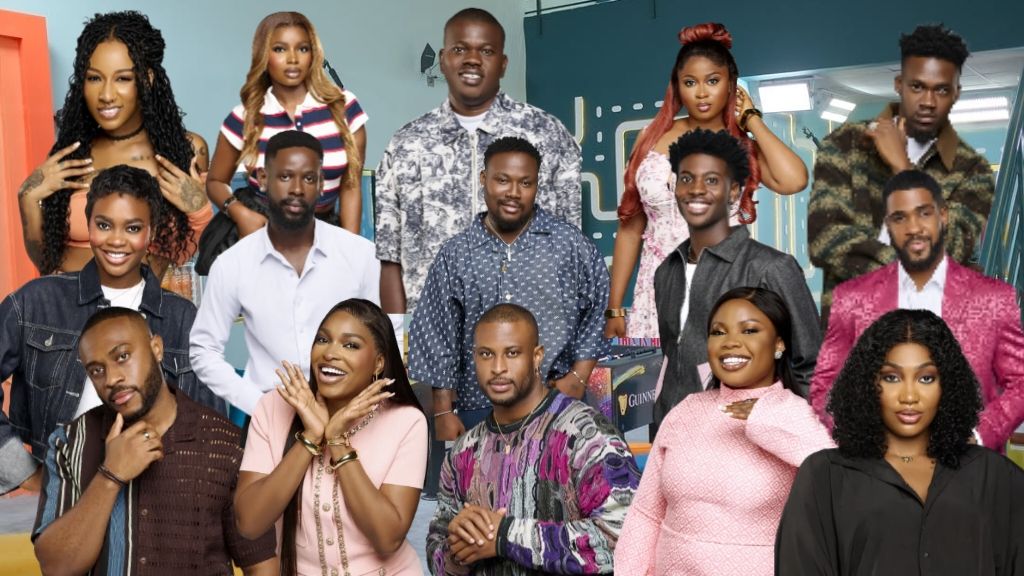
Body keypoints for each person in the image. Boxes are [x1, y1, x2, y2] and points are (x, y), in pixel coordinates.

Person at [0, 165, 224, 496]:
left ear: (151, 233)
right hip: (64, 495)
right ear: (88, 223)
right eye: (104, 225)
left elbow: (211, 425)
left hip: (157, 498)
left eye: (132, 228)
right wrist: (24, 472)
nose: (116, 240)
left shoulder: (182, 318)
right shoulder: (37, 301)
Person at [776, 309, 1024, 575]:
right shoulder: (824, 476)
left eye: (926, 378)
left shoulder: (997, 477)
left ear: (947, 385)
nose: (909, 396)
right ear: (867, 383)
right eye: (891, 377)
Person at [33, 307, 277, 575]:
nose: (112, 379)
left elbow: (261, 566)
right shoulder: (69, 444)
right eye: (97, 370)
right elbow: (56, 568)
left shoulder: (225, 444)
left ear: (156, 348)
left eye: (123, 357)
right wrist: (110, 475)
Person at [605, 22, 808, 340]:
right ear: (677, 87)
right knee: (655, 372)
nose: (701, 93)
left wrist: (751, 119)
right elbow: (630, 227)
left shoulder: (742, 146)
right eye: (690, 82)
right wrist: (615, 307)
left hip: (723, 285)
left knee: (720, 367)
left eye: (713, 80)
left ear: (731, 85)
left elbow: (794, 180)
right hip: (655, 291)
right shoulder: (651, 137)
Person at [376, 7, 582, 316]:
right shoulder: (406, 144)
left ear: (503, 63)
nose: (472, 59)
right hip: (435, 330)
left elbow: (572, 249)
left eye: (486, 51)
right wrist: (399, 336)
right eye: (460, 49)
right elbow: (390, 258)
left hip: (528, 330)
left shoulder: (547, 134)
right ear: (443, 59)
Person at [616, 287, 833, 575]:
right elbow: (646, 514)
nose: (731, 342)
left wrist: (763, 417)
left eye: (749, 330)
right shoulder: (687, 411)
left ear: (779, 343)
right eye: (718, 332)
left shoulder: (797, 417)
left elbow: (840, 479)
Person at [410, 136, 609, 443]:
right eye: (502, 180)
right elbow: (437, 333)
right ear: (483, 179)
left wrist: (578, 377)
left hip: (555, 402)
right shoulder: (456, 254)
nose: (514, 193)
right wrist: (443, 411)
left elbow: (597, 308)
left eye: (525, 183)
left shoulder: (569, 245)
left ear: (537, 185)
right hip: (478, 408)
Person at [810, 169, 1024, 449]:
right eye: (900, 217)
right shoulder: (853, 298)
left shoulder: (993, 298)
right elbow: (825, 386)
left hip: (968, 464)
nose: (913, 227)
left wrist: (979, 435)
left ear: (943, 216)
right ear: (888, 225)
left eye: (923, 213)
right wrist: (861, 439)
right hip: (878, 464)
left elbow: (1021, 380)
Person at [426, 304, 639, 575]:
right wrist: (458, 550)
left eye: (512, 353)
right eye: (486, 354)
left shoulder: (586, 437)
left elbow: (625, 539)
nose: (498, 368)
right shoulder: (462, 453)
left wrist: (505, 536)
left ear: (537, 356)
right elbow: (437, 553)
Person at [808, 24, 994, 326]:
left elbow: (951, 253)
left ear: (956, 93)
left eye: (941, 90)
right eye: (917, 86)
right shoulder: (844, 145)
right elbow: (826, 241)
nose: (928, 102)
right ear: (899, 84)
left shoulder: (973, 171)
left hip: (932, 338)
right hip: (853, 338)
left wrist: (903, 168)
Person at [191, 130, 380, 416]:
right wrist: (259, 406)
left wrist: (363, 407)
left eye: (309, 178)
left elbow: (387, 339)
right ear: (263, 179)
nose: (297, 189)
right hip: (270, 420)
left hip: (351, 416)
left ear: (321, 184)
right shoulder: (233, 264)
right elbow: (203, 349)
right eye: (285, 176)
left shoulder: (360, 255)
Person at [234, 299, 427, 576]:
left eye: (350, 345)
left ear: (379, 362)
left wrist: (336, 440)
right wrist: (311, 437)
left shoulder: (406, 421)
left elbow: (387, 538)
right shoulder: (273, 407)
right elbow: (249, 523)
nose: (330, 353)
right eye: (323, 340)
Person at [17, 10, 211, 280]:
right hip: (67, 303)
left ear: (147, 79)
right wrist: (27, 198)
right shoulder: (73, 153)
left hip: (141, 304)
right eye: (94, 78)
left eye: (123, 78)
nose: (106, 95)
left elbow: (183, 254)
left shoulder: (186, 150)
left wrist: (200, 211)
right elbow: (46, 264)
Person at [653, 128, 820, 427]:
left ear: (733, 191)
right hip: (673, 431)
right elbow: (672, 356)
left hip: (747, 436)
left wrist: (782, 422)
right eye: (686, 179)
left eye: (712, 180)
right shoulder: (667, 271)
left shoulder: (771, 268)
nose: (696, 189)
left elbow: (813, 368)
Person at [207, 11, 368, 235]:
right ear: (263, 55)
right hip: (260, 232)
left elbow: (351, 185)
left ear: (313, 54)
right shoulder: (245, 116)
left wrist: (351, 246)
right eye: (280, 49)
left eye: (303, 49)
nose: (293, 59)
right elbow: (215, 181)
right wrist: (241, 213)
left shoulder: (343, 106)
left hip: (324, 231)